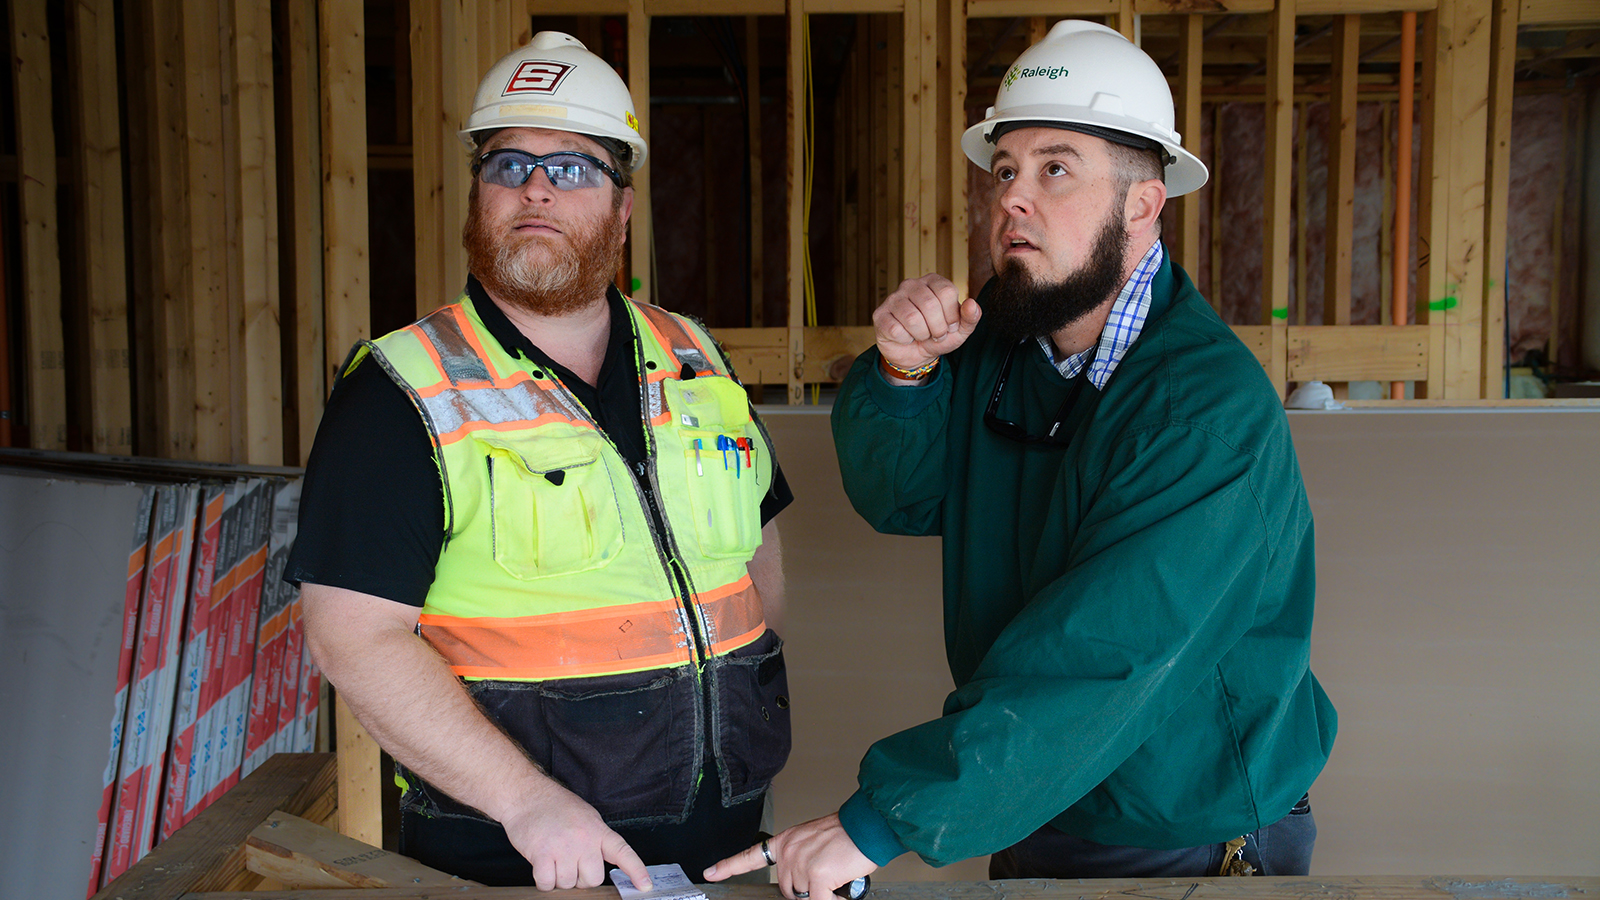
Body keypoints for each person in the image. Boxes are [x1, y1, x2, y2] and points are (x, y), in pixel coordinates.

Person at [706, 19, 1336, 895]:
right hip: (1036, 795)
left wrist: (880, 820)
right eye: (1005, 170)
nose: (1012, 198)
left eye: (1056, 169)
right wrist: (903, 373)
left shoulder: (1201, 412)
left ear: (1144, 204)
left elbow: (1105, 655)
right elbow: (901, 498)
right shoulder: (998, 347)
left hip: (1179, 828)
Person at [290, 32, 794, 890]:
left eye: (571, 168)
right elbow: (353, 639)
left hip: (722, 848)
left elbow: (757, 558)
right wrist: (527, 801)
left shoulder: (696, 357)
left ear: (623, 208)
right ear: (476, 196)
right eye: (507, 163)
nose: (534, 187)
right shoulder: (397, 393)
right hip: (518, 859)